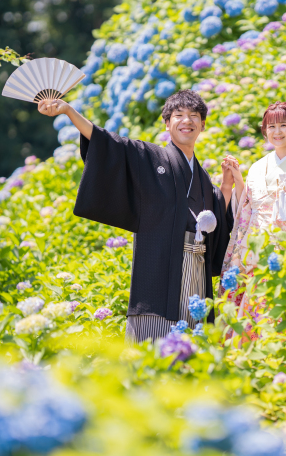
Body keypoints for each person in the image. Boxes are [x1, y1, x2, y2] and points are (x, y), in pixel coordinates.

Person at [37, 89, 233, 342]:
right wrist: (68, 111)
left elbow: (214, 218)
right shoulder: (151, 158)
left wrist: (226, 186)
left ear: (203, 125)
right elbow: (109, 144)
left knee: (195, 346)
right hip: (158, 271)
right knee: (152, 347)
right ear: (167, 123)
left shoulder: (204, 178)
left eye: (194, 116)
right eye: (179, 115)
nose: (187, 121)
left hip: (196, 270)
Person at [220, 101, 286, 305]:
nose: (277, 132)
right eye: (271, 127)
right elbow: (247, 206)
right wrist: (238, 179)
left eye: (283, 125)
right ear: (264, 130)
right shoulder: (258, 166)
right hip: (253, 246)